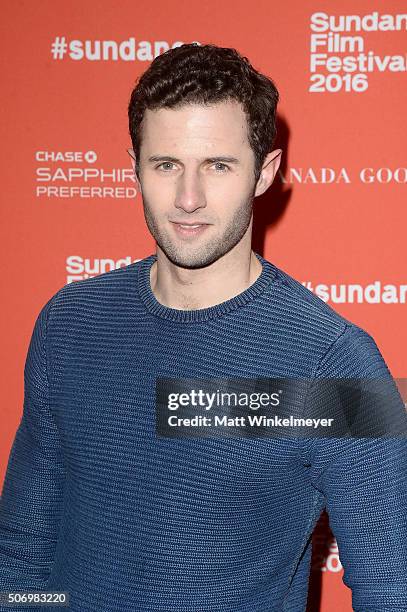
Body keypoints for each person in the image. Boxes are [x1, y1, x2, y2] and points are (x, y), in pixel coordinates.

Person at [0, 43, 405, 612]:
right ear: (135, 167)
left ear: (264, 174)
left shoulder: (331, 360)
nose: (188, 199)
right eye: (166, 165)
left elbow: (392, 585)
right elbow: (21, 549)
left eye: (218, 165)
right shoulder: (70, 324)